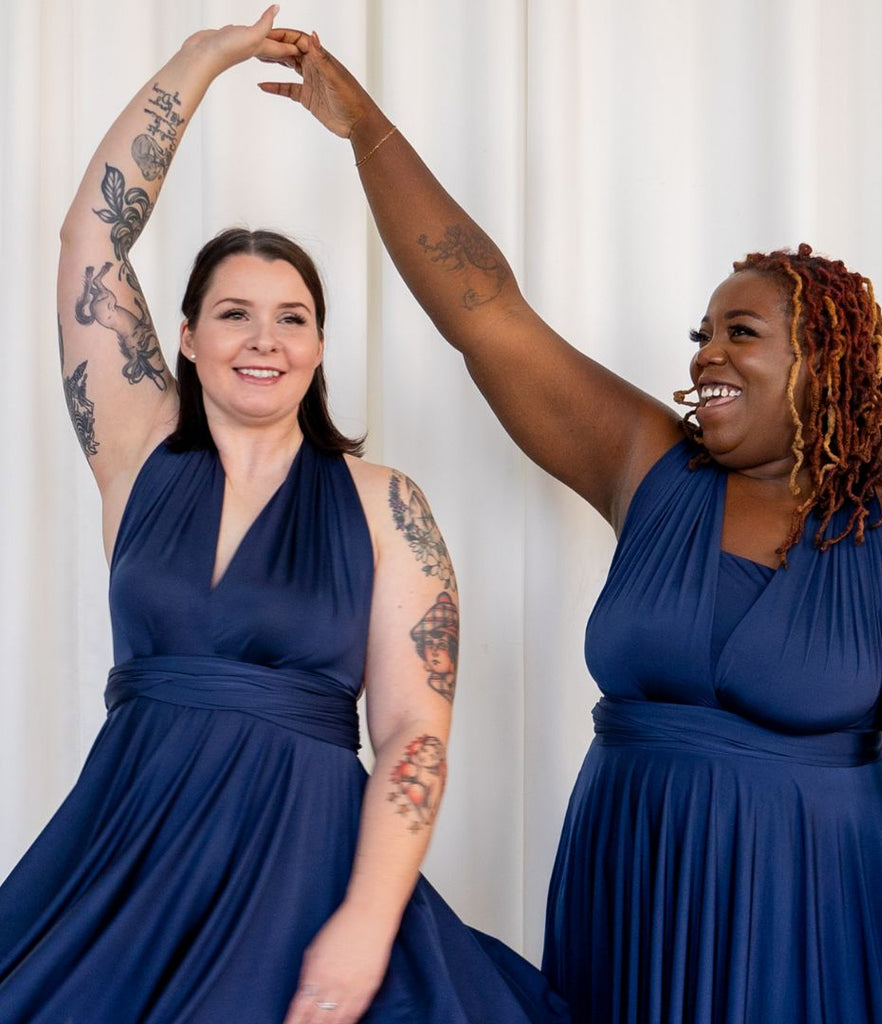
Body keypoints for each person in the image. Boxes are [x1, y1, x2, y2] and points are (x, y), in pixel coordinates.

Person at [257, 28, 882, 1024]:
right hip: (632, 894)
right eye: (700, 333)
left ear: (825, 362)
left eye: (741, 332)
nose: (705, 355)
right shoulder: (653, 471)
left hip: (815, 920)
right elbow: (486, 312)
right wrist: (365, 131)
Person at [0, 10, 569, 1024]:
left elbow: (411, 736)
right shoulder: (135, 451)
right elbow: (92, 234)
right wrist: (204, 59)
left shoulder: (386, 504)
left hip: (302, 871)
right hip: (126, 857)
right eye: (233, 312)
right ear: (182, 337)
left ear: (317, 346)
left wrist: (363, 921)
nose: (262, 339)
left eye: (291, 316)